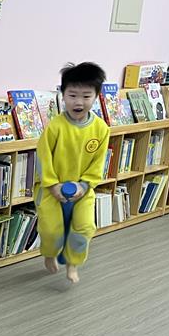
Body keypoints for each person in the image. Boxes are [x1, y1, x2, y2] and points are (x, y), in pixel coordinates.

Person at [36, 62, 110, 284]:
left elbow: (98, 163)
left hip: (83, 189)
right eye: (73, 95)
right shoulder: (55, 127)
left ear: (96, 96)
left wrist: (84, 185)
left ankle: (73, 264)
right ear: (63, 94)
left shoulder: (101, 129)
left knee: (84, 227)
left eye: (86, 96)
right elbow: (43, 158)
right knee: (51, 230)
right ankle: (50, 254)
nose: (79, 102)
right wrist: (52, 185)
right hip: (51, 188)